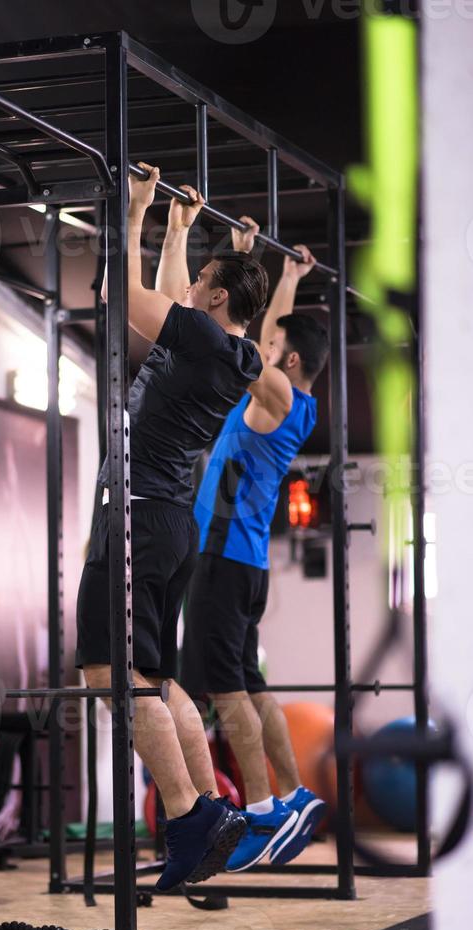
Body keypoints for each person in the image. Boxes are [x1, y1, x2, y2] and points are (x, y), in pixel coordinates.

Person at [76, 164, 269, 892]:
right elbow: (168, 298)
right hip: (169, 524)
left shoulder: (198, 339)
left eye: (201, 282)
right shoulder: (231, 352)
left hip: (136, 520)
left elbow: (121, 296)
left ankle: (188, 813)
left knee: (108, 672)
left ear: (216, 296)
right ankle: (211, 810)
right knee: (156, 677)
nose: (190, 290)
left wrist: (136, 212)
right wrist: (182, 231)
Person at [181, 221, 330, 871]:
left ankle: (266, 811)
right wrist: (290, 279)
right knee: (251, 684)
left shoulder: (271, 392)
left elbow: (243, 344)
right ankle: (296, 794)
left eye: (277, 343)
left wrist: (241, 265)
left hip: (223, 556)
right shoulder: (302, 402)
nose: (267, 345)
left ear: (289, 360)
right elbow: (276, 340)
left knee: (225, 691)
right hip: (247, 564)